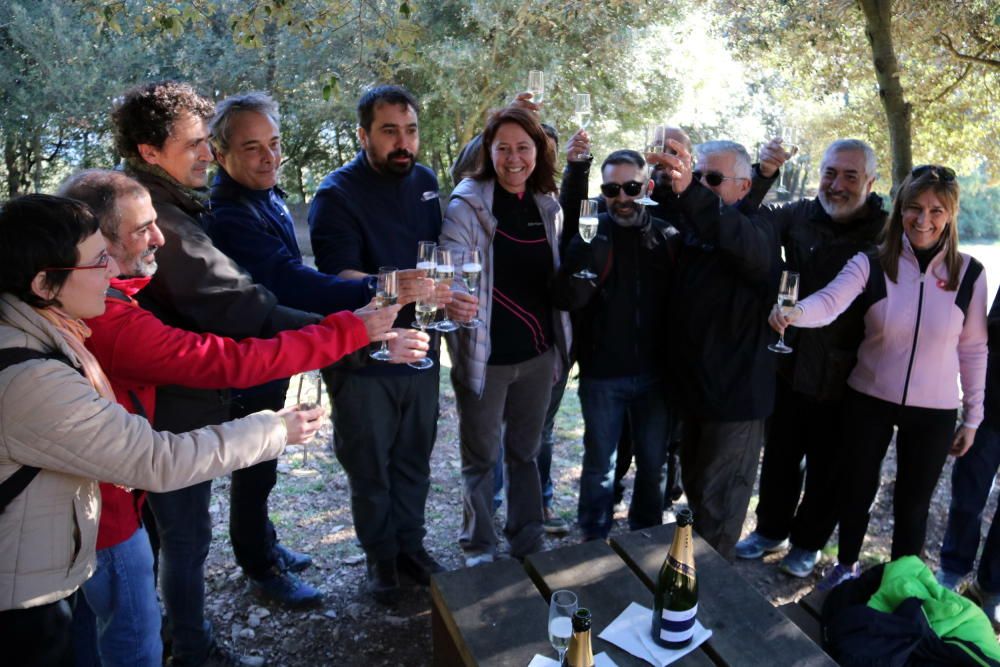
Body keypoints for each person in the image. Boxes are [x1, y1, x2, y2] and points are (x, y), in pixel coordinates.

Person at [57, 169, 398, 665]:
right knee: (134, 641)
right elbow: (224, 361)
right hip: (103, 516)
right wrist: (348, 333)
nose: (159, 239)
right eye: (143, 229)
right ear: (98, 244)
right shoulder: (107, 320)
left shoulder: (105, 301)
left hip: (95, 506)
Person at [0, 194, 321, 666]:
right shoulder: (33, 377)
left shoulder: (44, 332)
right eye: (97, 262)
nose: (111, 272)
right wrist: (274, 430)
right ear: (45, 283)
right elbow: (157, 460)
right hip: (23, 602)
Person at [111, 80, 328, 666]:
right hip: (170, 407)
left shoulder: (175, 206)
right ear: (149, 150)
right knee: (182, 538)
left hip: (168, 401)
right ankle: (190, 648)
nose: (206, 155)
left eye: (207, 142)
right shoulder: (162, 219)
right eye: (195, 145)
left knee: (164, 536)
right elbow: (237, 302)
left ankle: (167, 637)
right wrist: (341, 335)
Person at [205, 91, 432, 608]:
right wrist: (384, 290)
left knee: (265, 461)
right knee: (254, 463)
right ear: (221, 155)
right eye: (253, 148)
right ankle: (260, 567)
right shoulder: (228, 215)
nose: (269, 157)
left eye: (275, 144)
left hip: (278, 348)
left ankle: (264, 546)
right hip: (246, 357)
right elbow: (292, 281)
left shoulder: (266, 195)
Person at [772, 165, 988, 590]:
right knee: (856, 491)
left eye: (936, 210)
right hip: (868, 398)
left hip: (935, 410)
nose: (923, 220)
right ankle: (847, 567)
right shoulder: (871, 262)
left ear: (951, 214)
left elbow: (973, 349)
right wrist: (795, 313)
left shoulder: (970, 273)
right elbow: (829, 303)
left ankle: (901, 583)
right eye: (914, 208)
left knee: (912, 507)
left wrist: (973, 417)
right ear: (900, 210)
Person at [308, 85, 448, 604]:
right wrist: (399, 283)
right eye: (389, 131)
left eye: (410, 130)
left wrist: (447, 292)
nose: (403, 142)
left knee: (415, 457)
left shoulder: (427, 182)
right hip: (364, 355)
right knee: (371, 468)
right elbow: (338, 277)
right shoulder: (336, 194)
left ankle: (411, 547)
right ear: (364, 134)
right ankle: (381, 560)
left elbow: (438, 258)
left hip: (422, 347)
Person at [735, 139, 886, 579]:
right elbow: (747, 221)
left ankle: (808, 543)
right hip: (788, 362)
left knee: (830, 467)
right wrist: (763, 175)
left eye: (850, 176)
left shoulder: (884, 231)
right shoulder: (799, 214)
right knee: (780, 455)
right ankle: (770, 530)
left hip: (850, 375)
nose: (836, 185)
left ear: (871, 182)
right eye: (830, 173)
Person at [440, 106, 572, 566]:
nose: (514, 158)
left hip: (538, 356)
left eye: (523, 148)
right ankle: (479, 546)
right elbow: (454, 269)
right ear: (488, 152)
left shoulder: (546, 204)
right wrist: (454, 294)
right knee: (480, 457)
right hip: (485, 357)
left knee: (525, 453)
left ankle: (527, 540)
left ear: (539, 151)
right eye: (503, 149)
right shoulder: (469, 203)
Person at [646, 138, 779, 560]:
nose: (701, 185)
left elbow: (732, 235)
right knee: (698, 500)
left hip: (735, 404)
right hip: (695, 398)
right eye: (698, 176)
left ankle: (714, 603)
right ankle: (689, 591)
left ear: (744, 187)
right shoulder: (693, 230)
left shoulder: (756, 230)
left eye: (713, 179)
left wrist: (693, 193)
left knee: (718, 517)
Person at [551, 149, 674, 540]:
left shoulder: (667, 237)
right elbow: (565, 296)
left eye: (631, 187)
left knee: (653, 463)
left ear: (647, 187)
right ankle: (592, 536)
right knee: (599, 462)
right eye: (611, 188)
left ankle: (646, 534)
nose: (622, 196)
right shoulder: (592, 231)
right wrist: (582, 265)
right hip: (603, 372)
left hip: (656, 375)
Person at [937, 288, 1000, 627]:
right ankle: (951, 570)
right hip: (993, 409)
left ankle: (990, 588)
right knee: (968, 496)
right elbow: (990, 328)